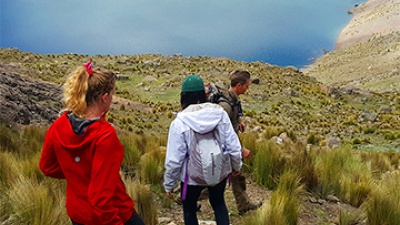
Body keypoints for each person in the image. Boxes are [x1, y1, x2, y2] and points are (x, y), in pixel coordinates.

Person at [39, 62, 145, 225]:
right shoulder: (105, 136)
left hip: (78, 214)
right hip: (114, 214)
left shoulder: (59, 125)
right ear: (104, 97)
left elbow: (47, 167)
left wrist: (78, 174)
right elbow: (100, 199)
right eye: (111, 94)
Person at [163, 74, 242, 225]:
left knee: (189, 209)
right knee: (219, 204)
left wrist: (169, 184)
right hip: (219, 171)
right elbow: (233, 144)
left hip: (191, 178)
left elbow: (174, 160)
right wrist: (236, 166)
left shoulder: (179, 122)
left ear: (183, 97)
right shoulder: (219, 114)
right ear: (204, 95)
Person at [218, 70, 262, 215]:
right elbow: (225, 135)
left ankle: (244, 205)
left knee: (236, 176)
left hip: (230, 146)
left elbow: (233, 121)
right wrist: (240, 149)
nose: (248, 88)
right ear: (239, 85)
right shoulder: (226, 107)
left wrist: (239, 122)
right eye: (247, 85)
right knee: (217, 181)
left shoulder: (234, 99)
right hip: (226, 148)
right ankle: (186, 197)